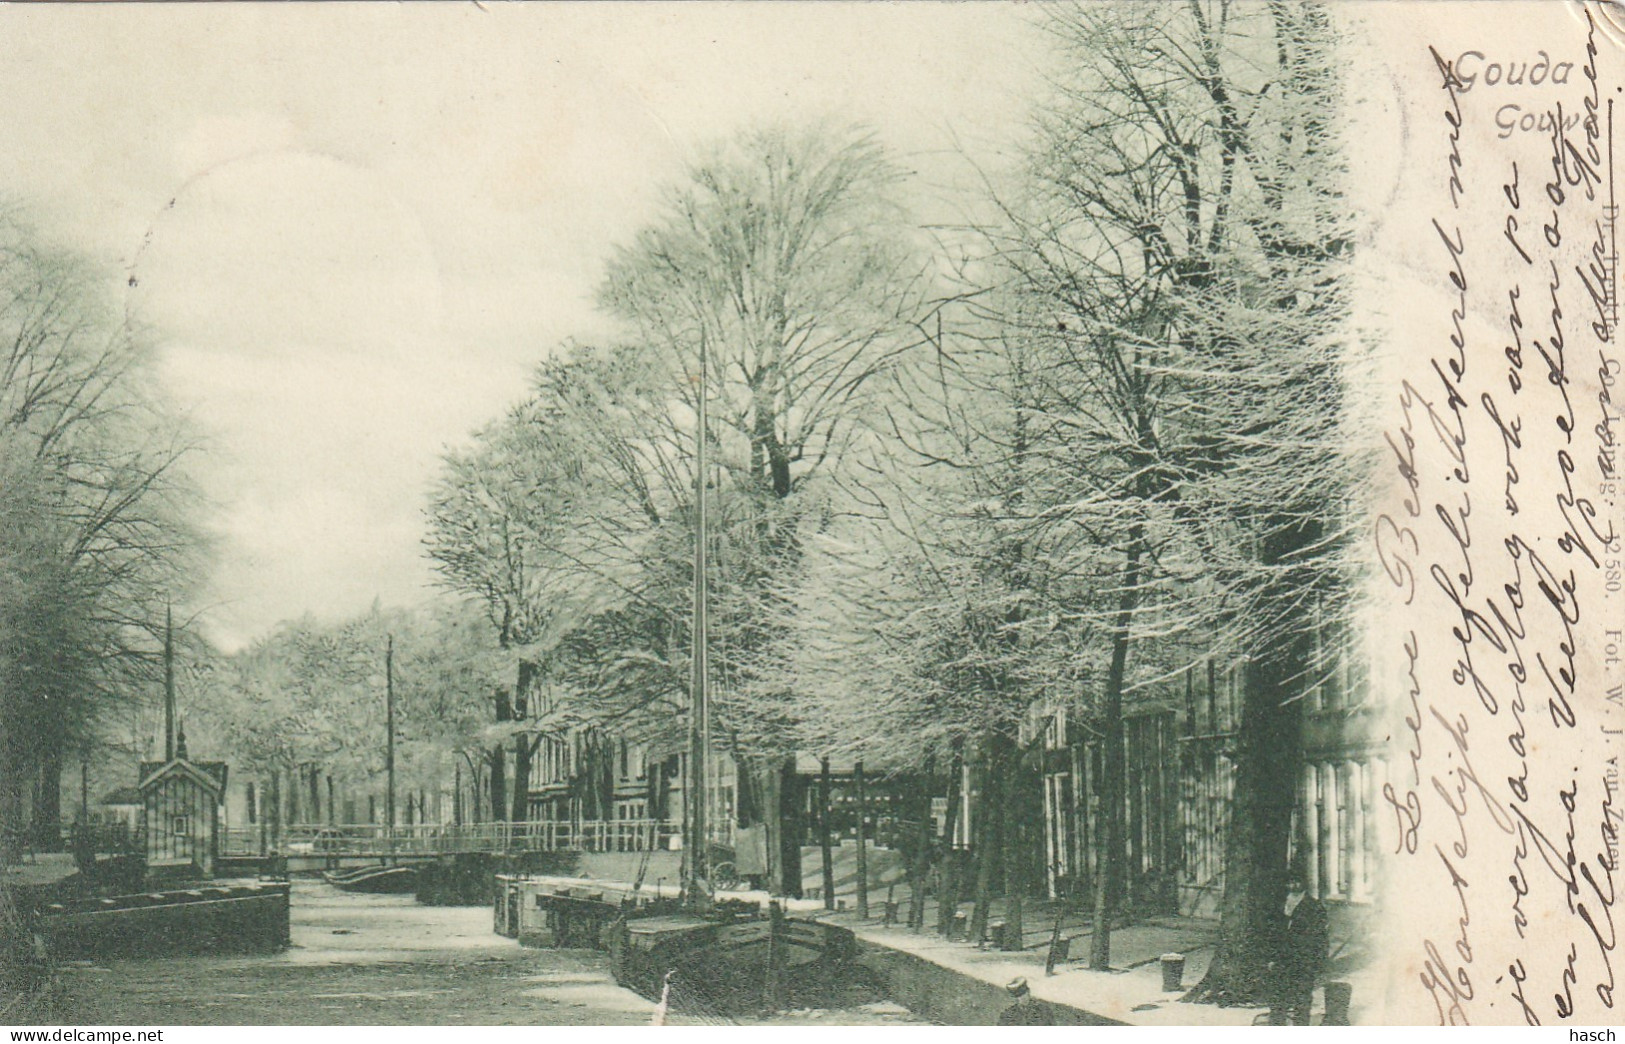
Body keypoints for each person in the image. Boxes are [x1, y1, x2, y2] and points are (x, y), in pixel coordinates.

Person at [1271, 857, 1330, 1026]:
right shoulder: (1281, 903)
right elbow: (1273, 932)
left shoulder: (1314, 906)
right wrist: (1272, 956)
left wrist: (1319, 962)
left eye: (1297, 882)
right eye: (1290, 883)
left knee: (1302, 995)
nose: (1293, 886)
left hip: (1304, 958)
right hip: (1282, 958)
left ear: (1304, 883)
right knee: (1279, 993)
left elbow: (1321, 937)